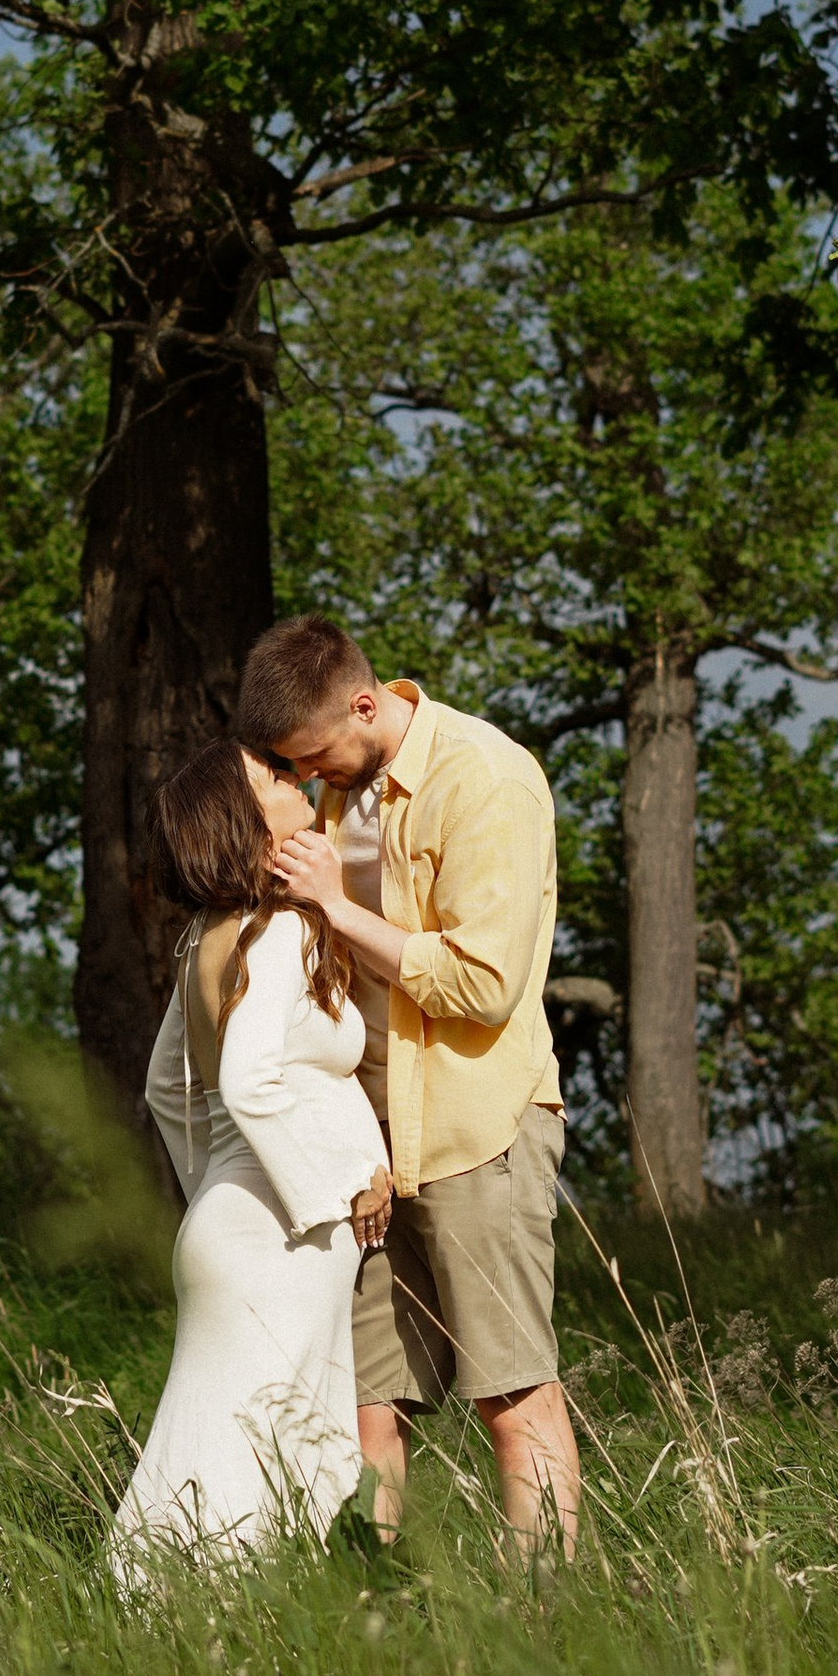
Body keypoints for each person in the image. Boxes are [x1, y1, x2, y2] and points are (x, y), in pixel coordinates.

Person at [237, 615, 581, 1558]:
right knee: (366, 1407)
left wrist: (335, 910)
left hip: (480, 1131)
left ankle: (542, 1624)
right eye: (291, 767)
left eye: (316, 756)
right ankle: (373, 1616)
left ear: (363, 702)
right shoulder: (339, 791)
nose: (311, 778)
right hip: (372, 1152)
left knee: (513, 1398)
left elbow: (482, 984)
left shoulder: (484, 777)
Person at [109, 736, 394, 1583]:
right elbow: (245, 1082)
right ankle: (201, 1617)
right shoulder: (275, 934)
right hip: (282, 1236)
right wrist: (326, 1193)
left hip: (234, 1226)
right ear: (247, 817)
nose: (294, 775)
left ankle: (169, 1610)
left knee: (221, 1440)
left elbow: (169, 1089)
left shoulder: (206, 935)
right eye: (273, 775)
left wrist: (214, 1192)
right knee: (265, 1447)